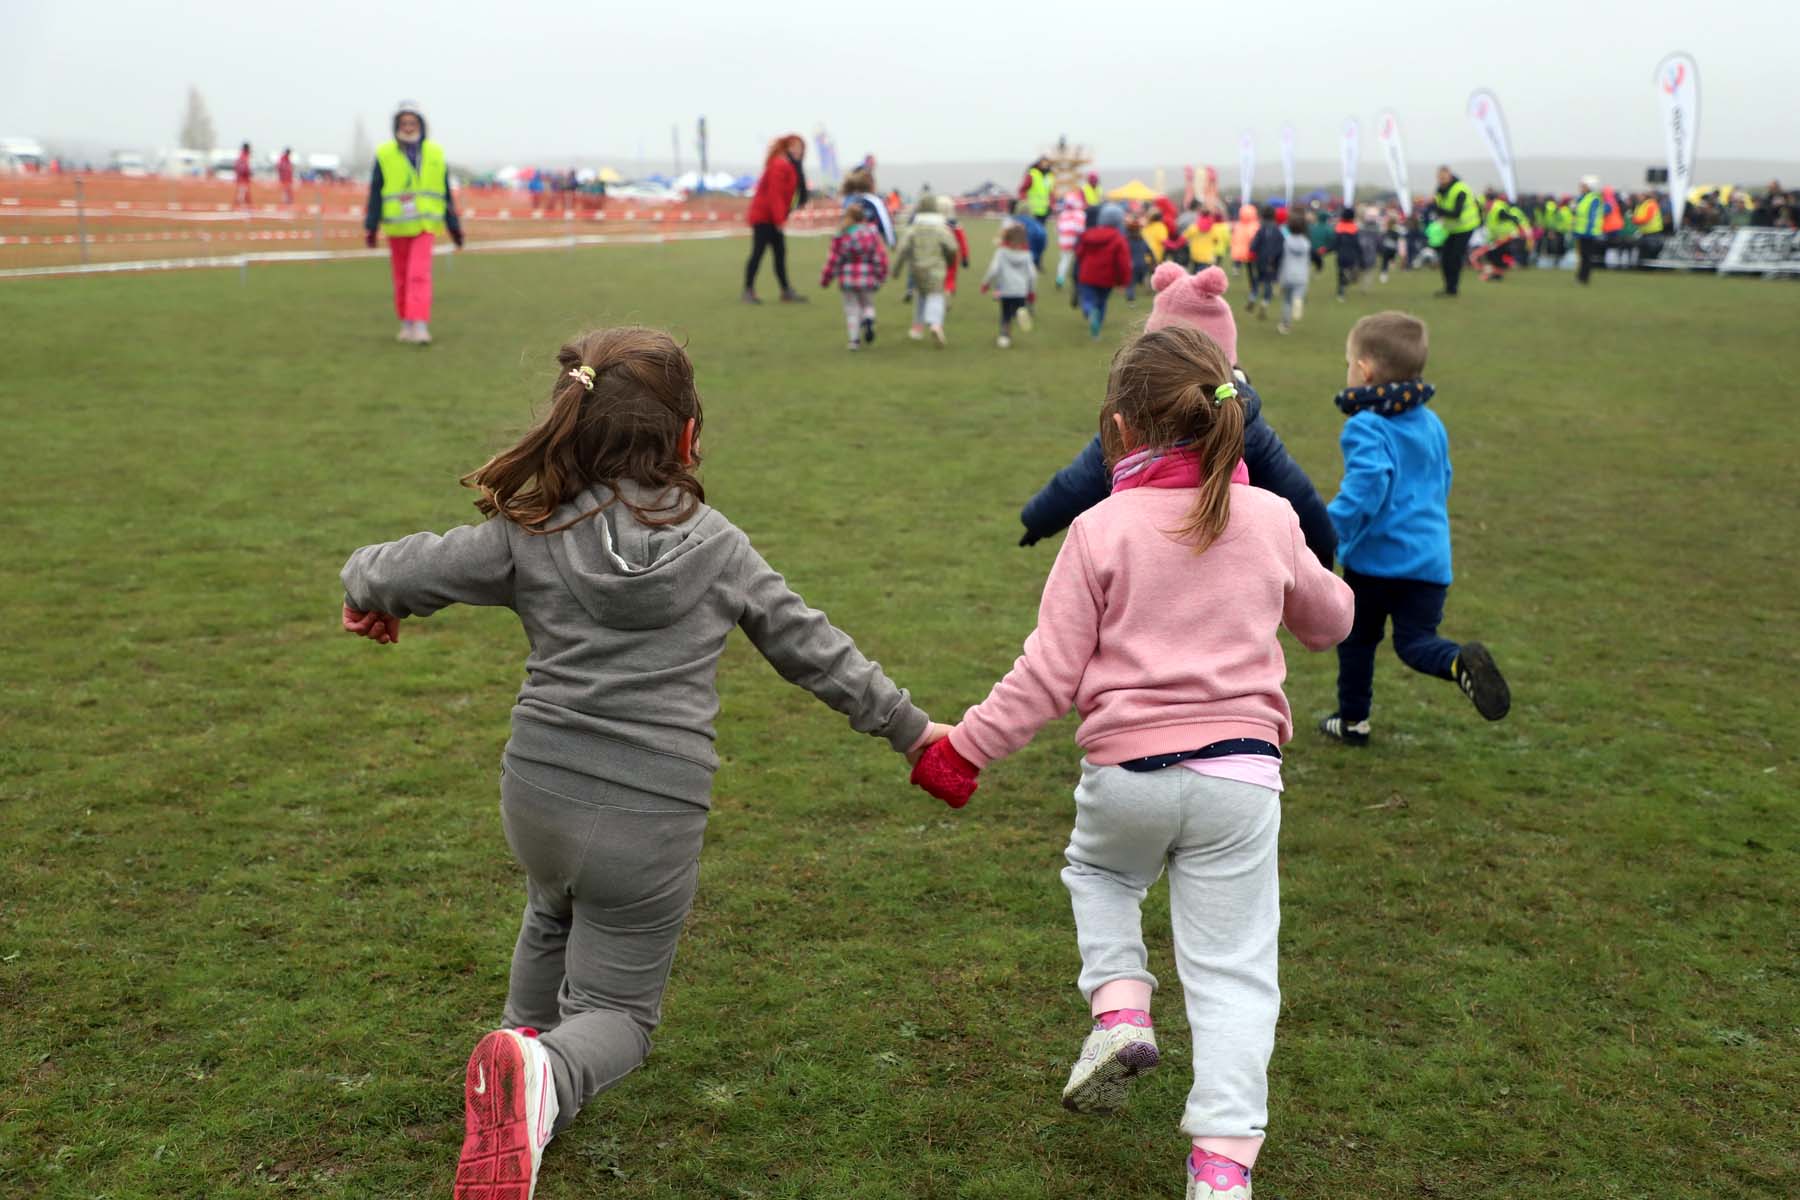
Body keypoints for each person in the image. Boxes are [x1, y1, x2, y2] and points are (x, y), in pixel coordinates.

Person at [339, 327, 943, 1200]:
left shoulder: (530, 529)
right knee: (620, 1014)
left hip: (538, 795)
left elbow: (402, 567)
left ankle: (515, 1059)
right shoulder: (722, 548)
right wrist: (913, 730)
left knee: (552, 907)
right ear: (687, 437)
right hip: (649, 816)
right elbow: (817, 652)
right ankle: (540, 1080)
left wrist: (364, 590)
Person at [910, 324, 1353, 1200]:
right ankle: (1222, 1169)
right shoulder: (1269, 517)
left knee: (1102, 878)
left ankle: (1119, 1011)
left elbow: (1047, 672)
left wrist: (963, 750)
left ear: (1118, 427)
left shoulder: (1099, 527)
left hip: (1126, 776)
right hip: (1241, 783)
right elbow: (1331, 622)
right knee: (1233, 974)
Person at [1018, 263, 1338, 569]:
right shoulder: (1242, 414)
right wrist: (1323, 546)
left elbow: (1079, 481)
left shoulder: (1134, 419)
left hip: (1146, 565)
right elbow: (1297, 492)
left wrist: (1037, 519)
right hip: (1224, 571)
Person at [1319, 312, 1511, 746]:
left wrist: (1327, 530)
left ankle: (1353, 721)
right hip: (1430, 561)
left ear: (1364, 370)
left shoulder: (1366, 425)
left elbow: (1367, 486)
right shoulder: (1431, 422)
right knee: (1416, 642)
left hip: (1377, 563)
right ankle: (1458, 663)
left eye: (1348, 363)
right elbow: (1443, 478)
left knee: (1357, 641)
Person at [363, 101, 465, 346]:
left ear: (421, 125)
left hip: (425, 226)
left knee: (418, 274)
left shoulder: (435, 154)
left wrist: (454, 227)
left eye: (413, 123)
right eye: (404, 123)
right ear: (397, 126)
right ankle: (406, 323)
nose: (408, 128)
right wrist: (371, 226)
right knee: (400, 276)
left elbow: (445, 193)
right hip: (396, 227)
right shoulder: (385, 154)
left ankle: (420, 324)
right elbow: (376, 192)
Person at [742, 134, 809, 304]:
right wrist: (780, 220)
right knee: (758, 253)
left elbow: (791, 194)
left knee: (779, 254)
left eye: (800, 147)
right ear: (786, 147)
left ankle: (785, 291)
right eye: (794, 146)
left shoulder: (791, 166)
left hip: (773, 217)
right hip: (764, 217)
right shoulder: (779, 164)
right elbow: (775, 195)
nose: (798, 150)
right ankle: (748, 290)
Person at [818, 203, 889, 351]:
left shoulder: (841, 235)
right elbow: (879, 256)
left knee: (851, 309)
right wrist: (881, 274)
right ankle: (869, 319)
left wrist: (826, 278)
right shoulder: (871, 234)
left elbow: (834, 260)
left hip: (847, 278)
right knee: (868, 304)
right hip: (867, 276)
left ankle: (854, 341)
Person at [892, 196, 960, 345]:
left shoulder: (913, 229)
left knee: (921, 297)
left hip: (917, 269)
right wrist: (949, 262)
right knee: (936, 296)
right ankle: (935, 324)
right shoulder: (941, 229)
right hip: (936, 269)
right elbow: (952, 247)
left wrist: (896, 270)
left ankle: (917, 328)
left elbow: (902, 249)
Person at [1074, 202, 1132, 339]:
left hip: (1087, 275)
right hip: (1107, 278)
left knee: (1088, 299)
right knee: (1101, 302)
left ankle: (1089, 312)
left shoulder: (1088, 234)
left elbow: (1079, 253)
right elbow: (1123, 263)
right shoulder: (1119, 239)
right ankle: (1097, 328)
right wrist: (1123, 281)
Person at [981, 221, 1038, 348]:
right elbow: (1032, 275)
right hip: (1021, 290)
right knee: (1017, 307)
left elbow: (993, 270)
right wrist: (1031, 291)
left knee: (1005, 315)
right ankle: (1020, 311)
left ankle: (1004, 337)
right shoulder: (1027, 255)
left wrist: (986, 284)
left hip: (1006, 289)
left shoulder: (1001, 253)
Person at [1429, 166, 1480, 296]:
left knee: (1454, 258)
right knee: (1445, 258)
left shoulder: (1460, 189)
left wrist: (1438, 210)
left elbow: (1456, 213)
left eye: (1444, 177)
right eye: (1439, 177)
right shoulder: (1441, 190)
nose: (1441, 180)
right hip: (1452, 229)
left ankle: (1452, 288)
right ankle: (1448, 287)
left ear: (1450, 176)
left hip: (1465, 227)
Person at [1475, 192, 1531, 282]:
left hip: (1506, 237)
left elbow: (1514, 219)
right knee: (1494, 255)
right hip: (1498, 237)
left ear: (1489, 202)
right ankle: (1498, 273)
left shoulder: (1498, 210)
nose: (1482, 206)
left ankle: (1498, 272)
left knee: (1496, 255)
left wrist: (1521, 230)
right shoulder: (1489, 211)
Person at [1276, 211, 1311, 335]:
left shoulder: (1286, 242)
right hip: (1301, 275)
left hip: (1288, 274)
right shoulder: (1306, 243)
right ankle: (1298, 301)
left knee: (1286, 301)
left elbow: (1281, 258)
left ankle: (1285, 324)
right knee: (1297, 296)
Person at [1248, 205, 1283, 319]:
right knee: (1269, 282)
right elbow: (1281, 246)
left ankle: (1252, 298)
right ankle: (1264, 303)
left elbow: (1254, 245)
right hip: (1273, 261)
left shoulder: (1261, 229)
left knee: (1258, 280)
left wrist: (1252, 252)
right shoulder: (1278, 230)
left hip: (1260, 260)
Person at [1571, 175, 1607, 285]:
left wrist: (1588, 230)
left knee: (1586, 256)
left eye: (1583, 185)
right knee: (1583, 255)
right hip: (1582, 232)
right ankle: (1580, 276)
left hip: (1588, 233)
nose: (1581, 187)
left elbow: (1592, 216)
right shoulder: (1584, 198)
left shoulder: (1594, 198)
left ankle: (1583, 278)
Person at [939, 196, 973, 304]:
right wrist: (965, 257)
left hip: (939, 253)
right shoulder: (955, 224)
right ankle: (948, 291)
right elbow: (962, 241)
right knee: (950, 276)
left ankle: (940, 295)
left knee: (939, 276)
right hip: (953, 253)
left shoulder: (936, 224)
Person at [1056, 190, 1087, 288]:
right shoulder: (1080, 214)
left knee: (1064, 260)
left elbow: (1058, 228)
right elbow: (1081, 229)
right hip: (1077, 242)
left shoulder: (1063, 215)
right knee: (1080, 261)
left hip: (1064, 241)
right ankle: (1081, 280)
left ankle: (1060, 279)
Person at [1330, 207, 1363, 300]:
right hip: (1351, 255)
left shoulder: (1339, 227)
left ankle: (1340, 292)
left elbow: (1335, 243)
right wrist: (1360, 255)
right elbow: (1357, 244)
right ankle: (1346, 282)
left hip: (1341, 255)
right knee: (1350, 271)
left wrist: (1329, 249)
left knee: (1340, 273)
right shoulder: (1354, 228)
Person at [1022, 155, 1056, 227]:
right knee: (1031, 230)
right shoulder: (1032, 174)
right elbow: (1022, 190)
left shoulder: (1050, 176)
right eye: (1043, 162)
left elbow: (1051, 193)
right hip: (1031, 209)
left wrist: (1051, 205)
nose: (1045, 165)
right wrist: (1024, 203)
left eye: (1046, 163)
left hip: (1044, 210)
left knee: (1041, 231)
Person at [1228, 203, 1258, 283]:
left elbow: (1234, 237)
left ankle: (1236, 269)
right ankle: (1255, 287)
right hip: (1250, 252)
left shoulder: (1238, 225)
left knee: (1248, 268)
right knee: (1251, 270)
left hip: (1239, 251)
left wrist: (1232, 245)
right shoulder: (1254, 226)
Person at [234, 141, 253, 208]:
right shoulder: (243, 156)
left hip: (243, 178)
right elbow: (242, 168)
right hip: (243, 178)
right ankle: (239, 206)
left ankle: (244, 205)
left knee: (244, 192)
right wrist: (247, 172)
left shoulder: (243, 156)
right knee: (242, 193)